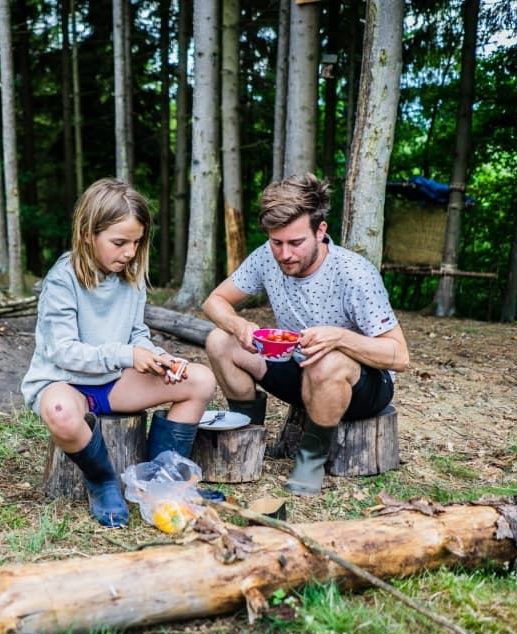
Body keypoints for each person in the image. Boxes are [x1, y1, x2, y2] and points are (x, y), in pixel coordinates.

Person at [21, 178, 217, 527]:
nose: (129, 252)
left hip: (113, 383)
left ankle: (161, 481)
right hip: (64, 382)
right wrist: (127, 355)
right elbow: (64, 352)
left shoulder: (131, 276)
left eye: (137, 242)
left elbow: (136, 334)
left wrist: (158, 358)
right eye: (119, 242)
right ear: (86, 234)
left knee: (200, 379)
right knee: (63, 413)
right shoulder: (62, 281)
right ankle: (102, 481)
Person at [202, 173, 409, 496]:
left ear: (320, 231)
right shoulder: (266, 257)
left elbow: (399, 356)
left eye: (296, 243)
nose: (285, 254)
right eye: (277, 242)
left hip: (363, 386)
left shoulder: (354, 274)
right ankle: (245, 437)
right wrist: (239, 326)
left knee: (326, 362)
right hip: (299, 369)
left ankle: (310, 461)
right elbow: (215, 301)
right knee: (219, 341)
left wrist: (340, 338)